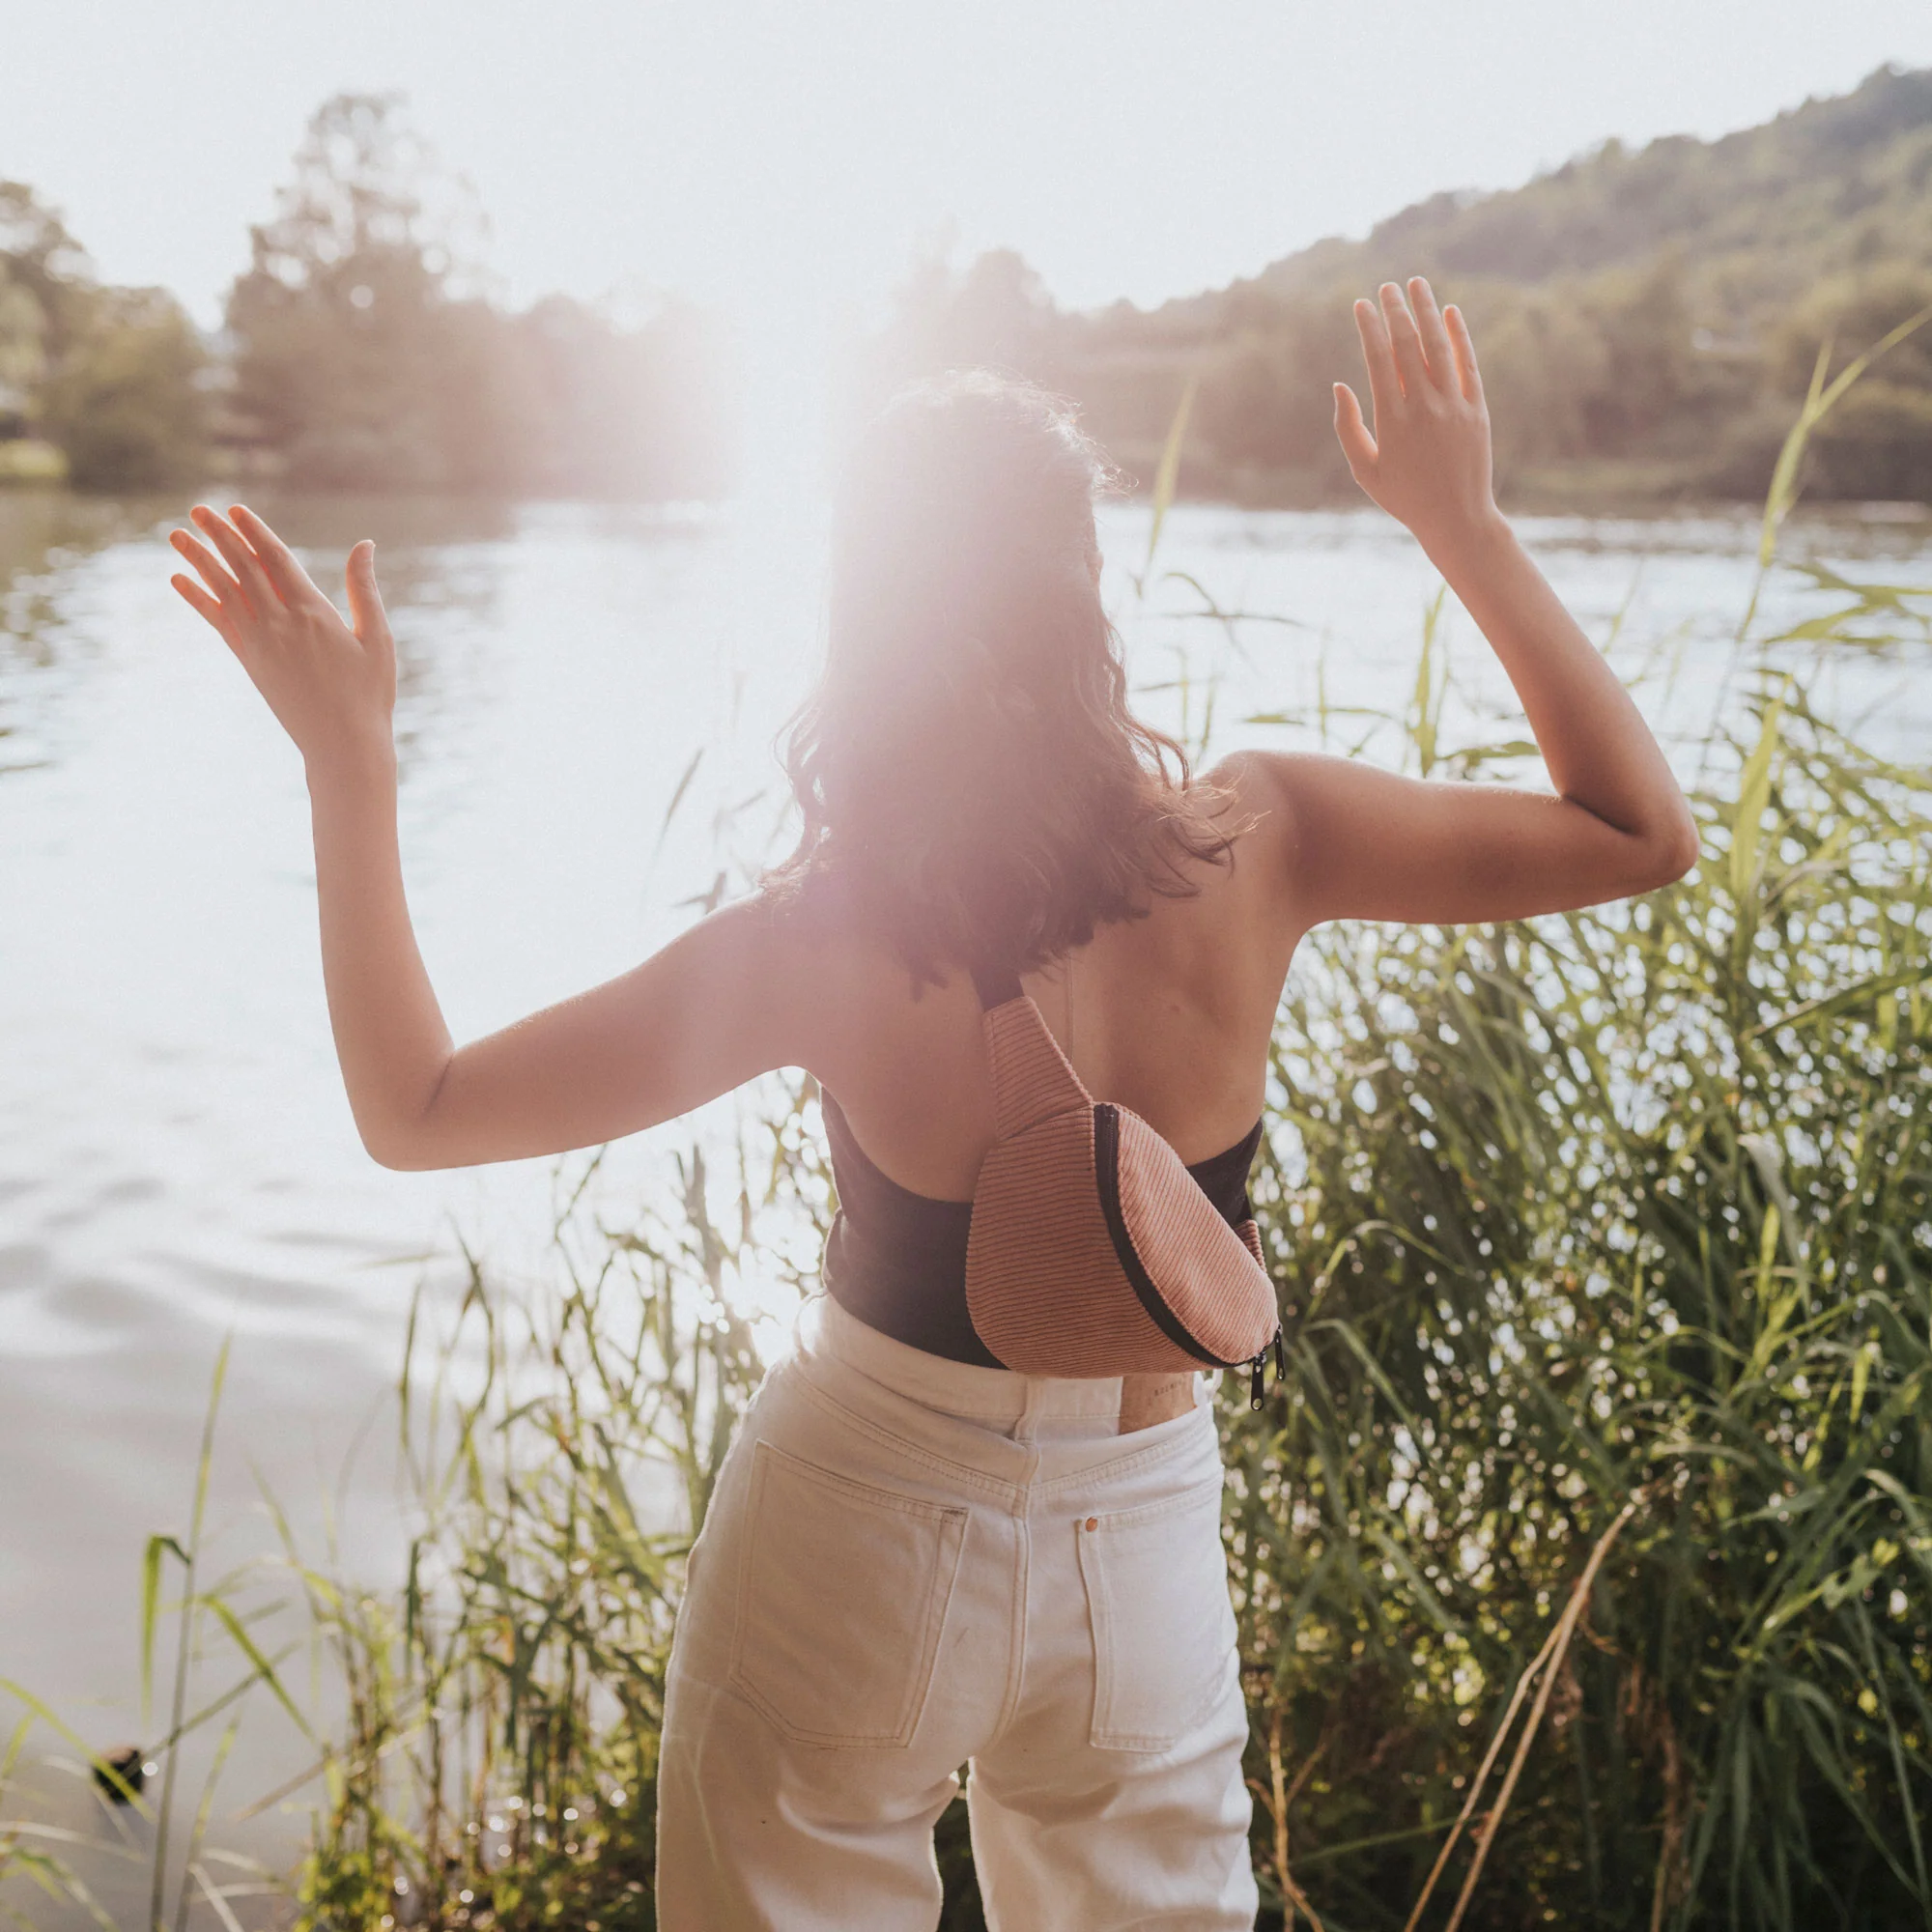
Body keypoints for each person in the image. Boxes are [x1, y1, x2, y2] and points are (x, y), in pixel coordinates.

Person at [168, 278, 1697, 1930]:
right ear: (1085, 595)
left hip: (863, 1517)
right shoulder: (1263, 840)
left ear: (868, 616)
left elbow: (419, 1108)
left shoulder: (826, 944)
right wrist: (1457, 522)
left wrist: (352, 767)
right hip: (1143, 1535)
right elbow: (1638, 832)